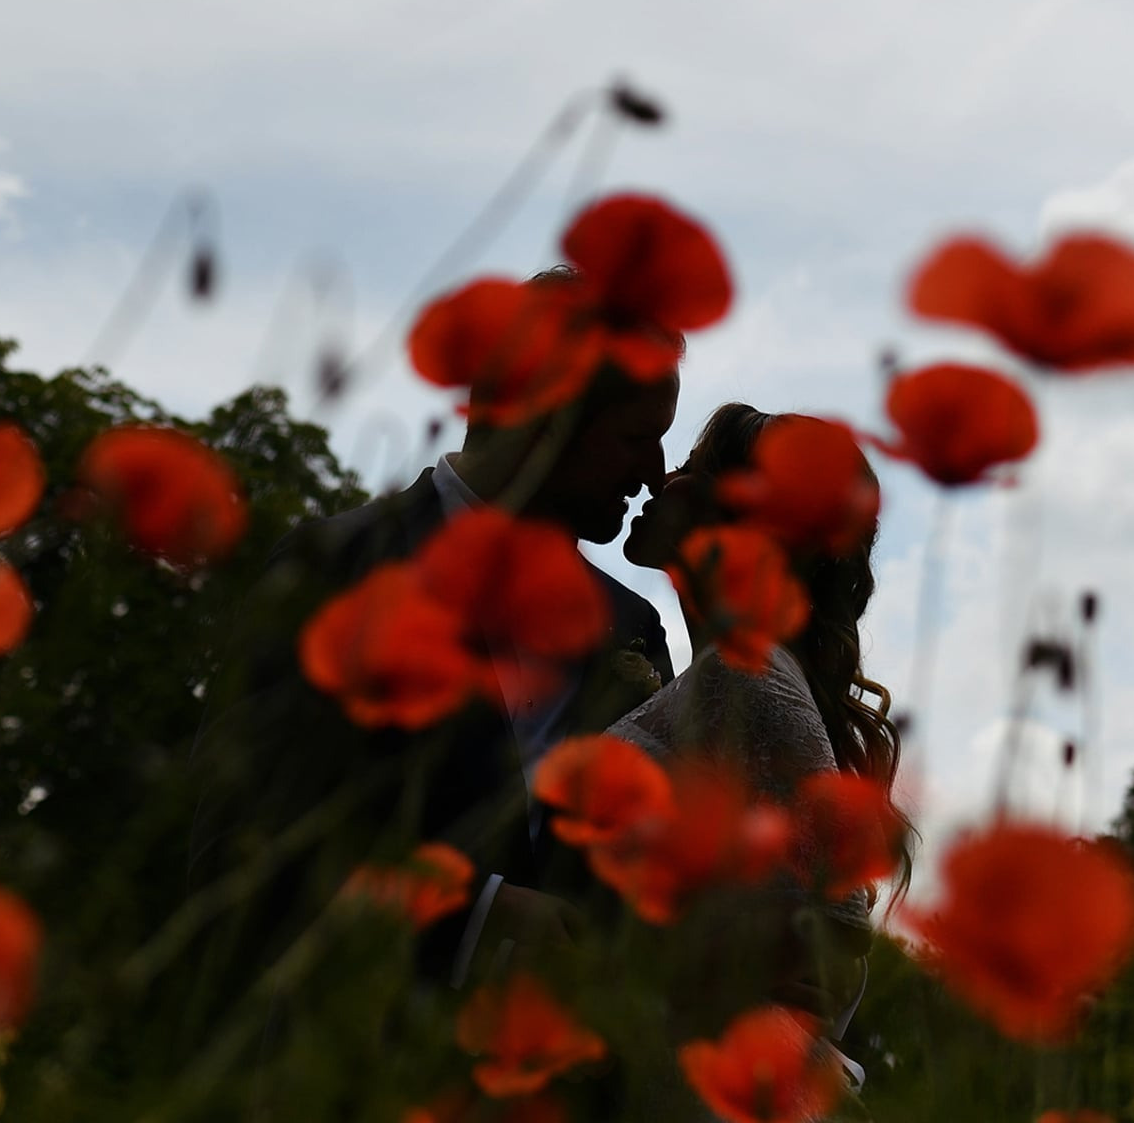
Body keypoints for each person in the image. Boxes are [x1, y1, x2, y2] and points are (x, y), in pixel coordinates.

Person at [178, 274, 683, 1059]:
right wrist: (470, 919)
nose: (654, 472)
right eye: (633, 437)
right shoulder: (336, 567)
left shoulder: (632, 628)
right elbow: (235, 846)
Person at [612, 400, 911, 1087]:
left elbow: (823, 960)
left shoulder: (751, 680)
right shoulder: (722, 679)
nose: (662, 477)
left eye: (692, 463)